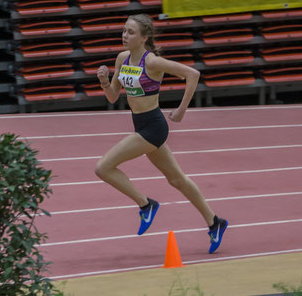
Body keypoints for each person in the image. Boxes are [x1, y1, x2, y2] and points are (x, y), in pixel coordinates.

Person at [95, 13, 227, 253]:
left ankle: (146, 205)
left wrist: (182, 110)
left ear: (145, 37)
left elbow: (192, 74)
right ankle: (215, 222)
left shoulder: (152, 62)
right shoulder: (122, 59)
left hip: (153, 127)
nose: (125, 35)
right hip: (140, 125)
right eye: (124, 30)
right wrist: (105, 81)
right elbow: (113, 96)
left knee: (103, 167)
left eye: (131, 32)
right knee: (177, 179)